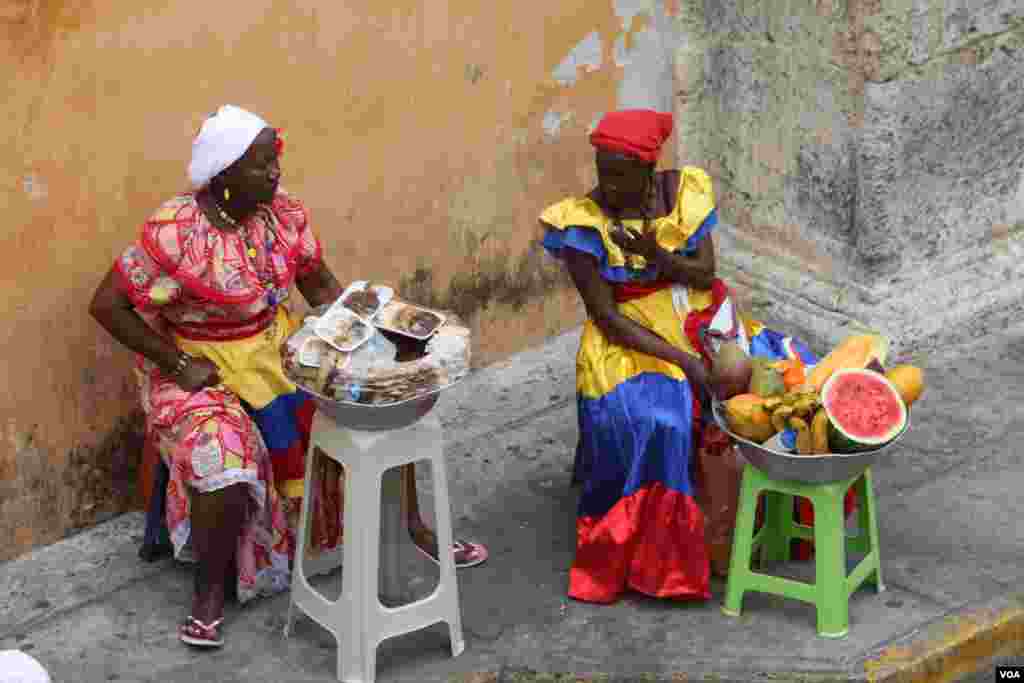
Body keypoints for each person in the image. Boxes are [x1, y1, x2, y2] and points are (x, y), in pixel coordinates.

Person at [89, 105, 486, 648]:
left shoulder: (284, 216)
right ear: (223, 173)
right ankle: (208, 595)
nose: (275, 173)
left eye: (275, 159)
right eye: (260, 165)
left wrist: (375, 328)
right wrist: (178, 364)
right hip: (199, 365)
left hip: (282, 349)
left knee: (378, 398)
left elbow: (321, 286)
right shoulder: (175, 232)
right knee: (221, 452)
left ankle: (412, 531)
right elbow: (107, 305)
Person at [539, 109, 831, 604]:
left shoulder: (684, 194)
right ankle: (666, 558)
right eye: (602, 171)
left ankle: (755, 527)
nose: (607, 185)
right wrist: (684, 361)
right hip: (629, 337)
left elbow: (703, 273)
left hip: (700, 312)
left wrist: (660, 258)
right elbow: (607, 319)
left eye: (619, 175)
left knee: (786, 375)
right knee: (661, 418)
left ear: (649, 172)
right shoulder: (582, 224)